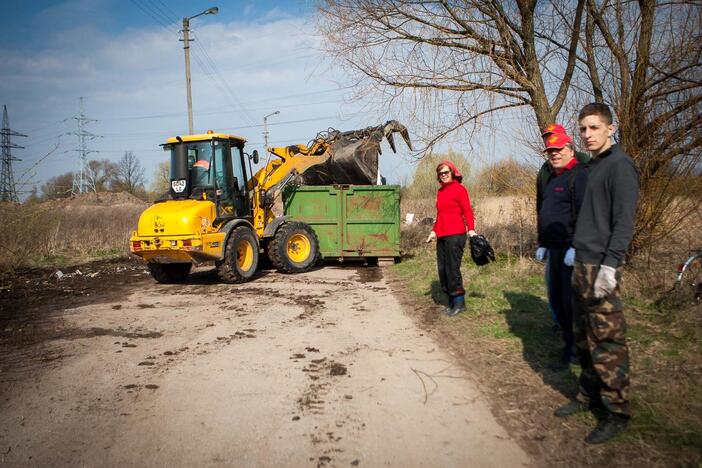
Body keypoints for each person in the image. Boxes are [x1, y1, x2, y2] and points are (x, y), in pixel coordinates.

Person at [554, 103, 640, 445]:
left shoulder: (621, 166)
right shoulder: (593, 166)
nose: (587, 135)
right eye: (583, 129)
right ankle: (587, 397)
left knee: (607, 343)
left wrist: (610, 265)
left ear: (610, 128)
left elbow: (623, 222)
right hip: (581, 264)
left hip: (601, 267)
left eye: (594, 128)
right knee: (583, 339)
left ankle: (617, 412)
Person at [535, 126, 588, 367]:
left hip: (570, 250)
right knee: (556, 300)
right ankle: (568, 346)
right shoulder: (552, 178)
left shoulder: (580, 175)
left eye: (558, 149)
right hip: (554, 249)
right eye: (550, 151)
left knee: (570, 304)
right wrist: (543, 243)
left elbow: (587, 213)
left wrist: (577, 245)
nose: (554, 154)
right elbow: (544, 212)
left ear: (569, 149)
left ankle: (576, 352)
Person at [425, 160, 476, 316]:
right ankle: (451, 302)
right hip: (442, 235)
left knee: (452, 269)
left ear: (452, 172)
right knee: (443, 269)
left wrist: (471, 230)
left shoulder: (460, 189)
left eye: (446, 172)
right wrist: (434, 232)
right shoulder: (440, 192)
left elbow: (467, 211)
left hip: (456, 235)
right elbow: (440, 215)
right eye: (441, 173)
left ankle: (459, 303)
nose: (444, 175)